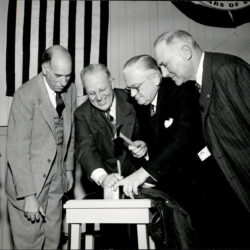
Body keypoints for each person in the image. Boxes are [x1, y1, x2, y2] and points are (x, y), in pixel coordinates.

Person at [153, 30, 250, 247]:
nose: (165, 73)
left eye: (166, 64)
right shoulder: (200, 83)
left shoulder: (226, 71)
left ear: (186, 52)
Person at [6, 45, 76, 249]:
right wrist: (29, 196)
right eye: (58, 75)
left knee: (53, 240)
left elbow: (70, 130)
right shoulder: (25, 96)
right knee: (31, 243)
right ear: (45, 68)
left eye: (68, 75)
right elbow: (17, 150)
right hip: (29, 180)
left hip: (57, 177)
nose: (64, 82)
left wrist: (68, 168)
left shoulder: (70, 89)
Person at [74, 63, 145, 248]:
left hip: (141, 178)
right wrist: (103, 178)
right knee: (114, 240)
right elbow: (85, 149)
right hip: (108, 184)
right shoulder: (82, 114)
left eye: (102, 89)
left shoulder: (134, 99)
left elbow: (152, 132)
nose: (98, 97)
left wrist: (145, 146)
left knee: (142, 238)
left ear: (111, 82)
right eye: (91, 93)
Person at [115, 55, 202, 204]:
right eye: (129, 89)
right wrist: (146, 147)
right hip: (171, 185)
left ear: (155, 78)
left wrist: (143, 173)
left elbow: (183, 139)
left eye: (136, 87)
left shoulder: (182, 92)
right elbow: (159, 141)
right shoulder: (143, 103)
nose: (133, 94)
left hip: (199, 181)